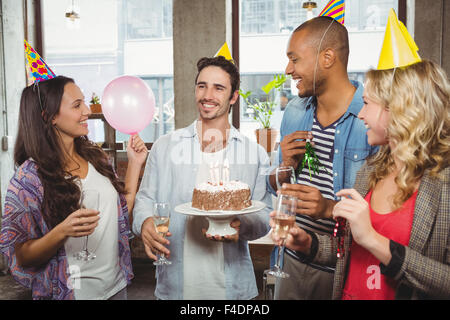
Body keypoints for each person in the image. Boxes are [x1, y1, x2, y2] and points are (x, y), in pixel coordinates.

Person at [271, 59, 450, 299]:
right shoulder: (372, 170)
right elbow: (351, 250)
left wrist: (373, 240)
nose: (361, 113)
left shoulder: (443, 186)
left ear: (399, 109)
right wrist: (308, 243)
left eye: (367, 103)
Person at [132, 55, 272, 300]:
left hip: (233, 287)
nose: (208, 95)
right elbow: (145, 198)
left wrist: (242, 226)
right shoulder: (166, 146)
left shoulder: (254, 153)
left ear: (234, 97)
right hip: (175, 285)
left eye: (219, 88)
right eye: (202, 86)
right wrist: (144, 223)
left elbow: (264, 217)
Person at [0, 76, 148, 300]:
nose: (87, 111)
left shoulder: (96, 157)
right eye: (77, 105)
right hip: (71, 293)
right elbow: (21, 256)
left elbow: (120, 216)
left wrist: (135, 164)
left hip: (116, 288)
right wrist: (62, 231)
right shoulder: (28, 179)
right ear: (49, 117)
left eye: (84, 102)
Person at [266, 16, 378, 300]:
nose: (288, 69)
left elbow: (385, 214)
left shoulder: (372, 118)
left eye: (294, 59)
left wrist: (330, 207)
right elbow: (278, 186)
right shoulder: (294, 111)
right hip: (290, 259)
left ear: (327, 57)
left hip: (342, 267)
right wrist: (283, 168)